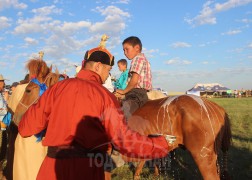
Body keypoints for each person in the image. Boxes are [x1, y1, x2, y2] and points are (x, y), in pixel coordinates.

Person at [18, 43, 176, 180]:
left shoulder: (57, 88)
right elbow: (125, 141)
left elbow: (25, 128)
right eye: (108, 70)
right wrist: (160, 144)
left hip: (52, 169)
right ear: (98, 66)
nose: (108, 75)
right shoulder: (105, 96)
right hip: (87, 171)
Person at [115, 36, 152, 119]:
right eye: (123, 50)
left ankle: (125, 131)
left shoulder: (137, 59)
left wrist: (124, 91)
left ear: (137, 48)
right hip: (138, 93)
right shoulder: (143, 59)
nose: (125, 52)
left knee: (123, 114)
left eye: (127, 49)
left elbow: (134, 80)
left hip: (136, 94)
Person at [0, 74, 8, 180]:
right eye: (1, 82)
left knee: (3, 149)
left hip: (3, 126)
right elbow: (3, 110)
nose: (2, 83)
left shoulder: (2, 94)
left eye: (2, 82)